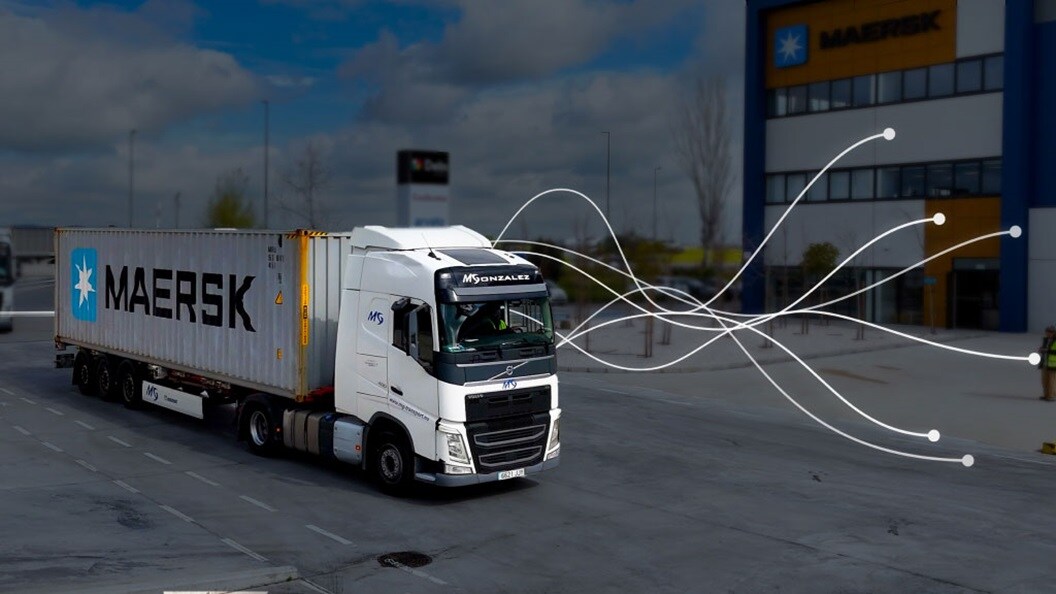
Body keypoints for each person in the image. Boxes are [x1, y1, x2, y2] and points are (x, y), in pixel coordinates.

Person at [1039, 325, 1056, 401]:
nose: (1048, 333)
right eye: (1047, 332)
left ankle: (1051, 395)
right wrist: (1042, 350)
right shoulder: (1046, 340)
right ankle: (1046, 395)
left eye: (1050, 332)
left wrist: (1046, 351)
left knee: (1051, 381)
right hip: (1045, 363)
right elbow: (1045, 349)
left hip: (1053, 364)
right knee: (1044, 381)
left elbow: (1051, 351)